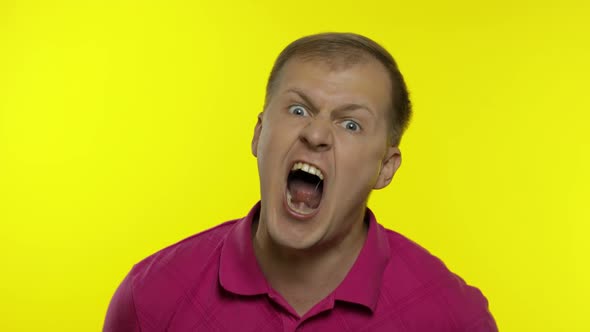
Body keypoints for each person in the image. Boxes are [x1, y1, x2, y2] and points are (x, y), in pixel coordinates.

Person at [104, 32, 498, 331]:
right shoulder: (152, 296)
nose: (316, 134)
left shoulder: (452, 315)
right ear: (259, 134)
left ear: (386, 168)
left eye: (350, 123)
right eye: (298, 109)